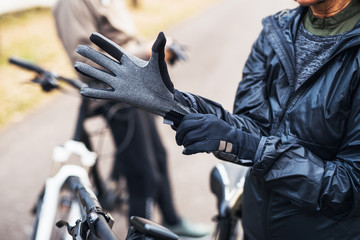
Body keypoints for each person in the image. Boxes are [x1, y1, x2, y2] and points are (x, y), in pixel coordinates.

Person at [73, 0, 360, 239]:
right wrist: (173, 104)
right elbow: (252, 128)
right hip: (255, 227)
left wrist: (255, 149)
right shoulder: (277, 33)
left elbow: (349, 188)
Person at [51, 0, 210, 238]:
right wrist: (144, 53)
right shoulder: (70, 4)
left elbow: (122, 40)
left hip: (135, 89)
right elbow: (85, 60)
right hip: (115, 95)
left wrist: (151, 55)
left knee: (158, 157)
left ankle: (173, 220)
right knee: (142, 174)